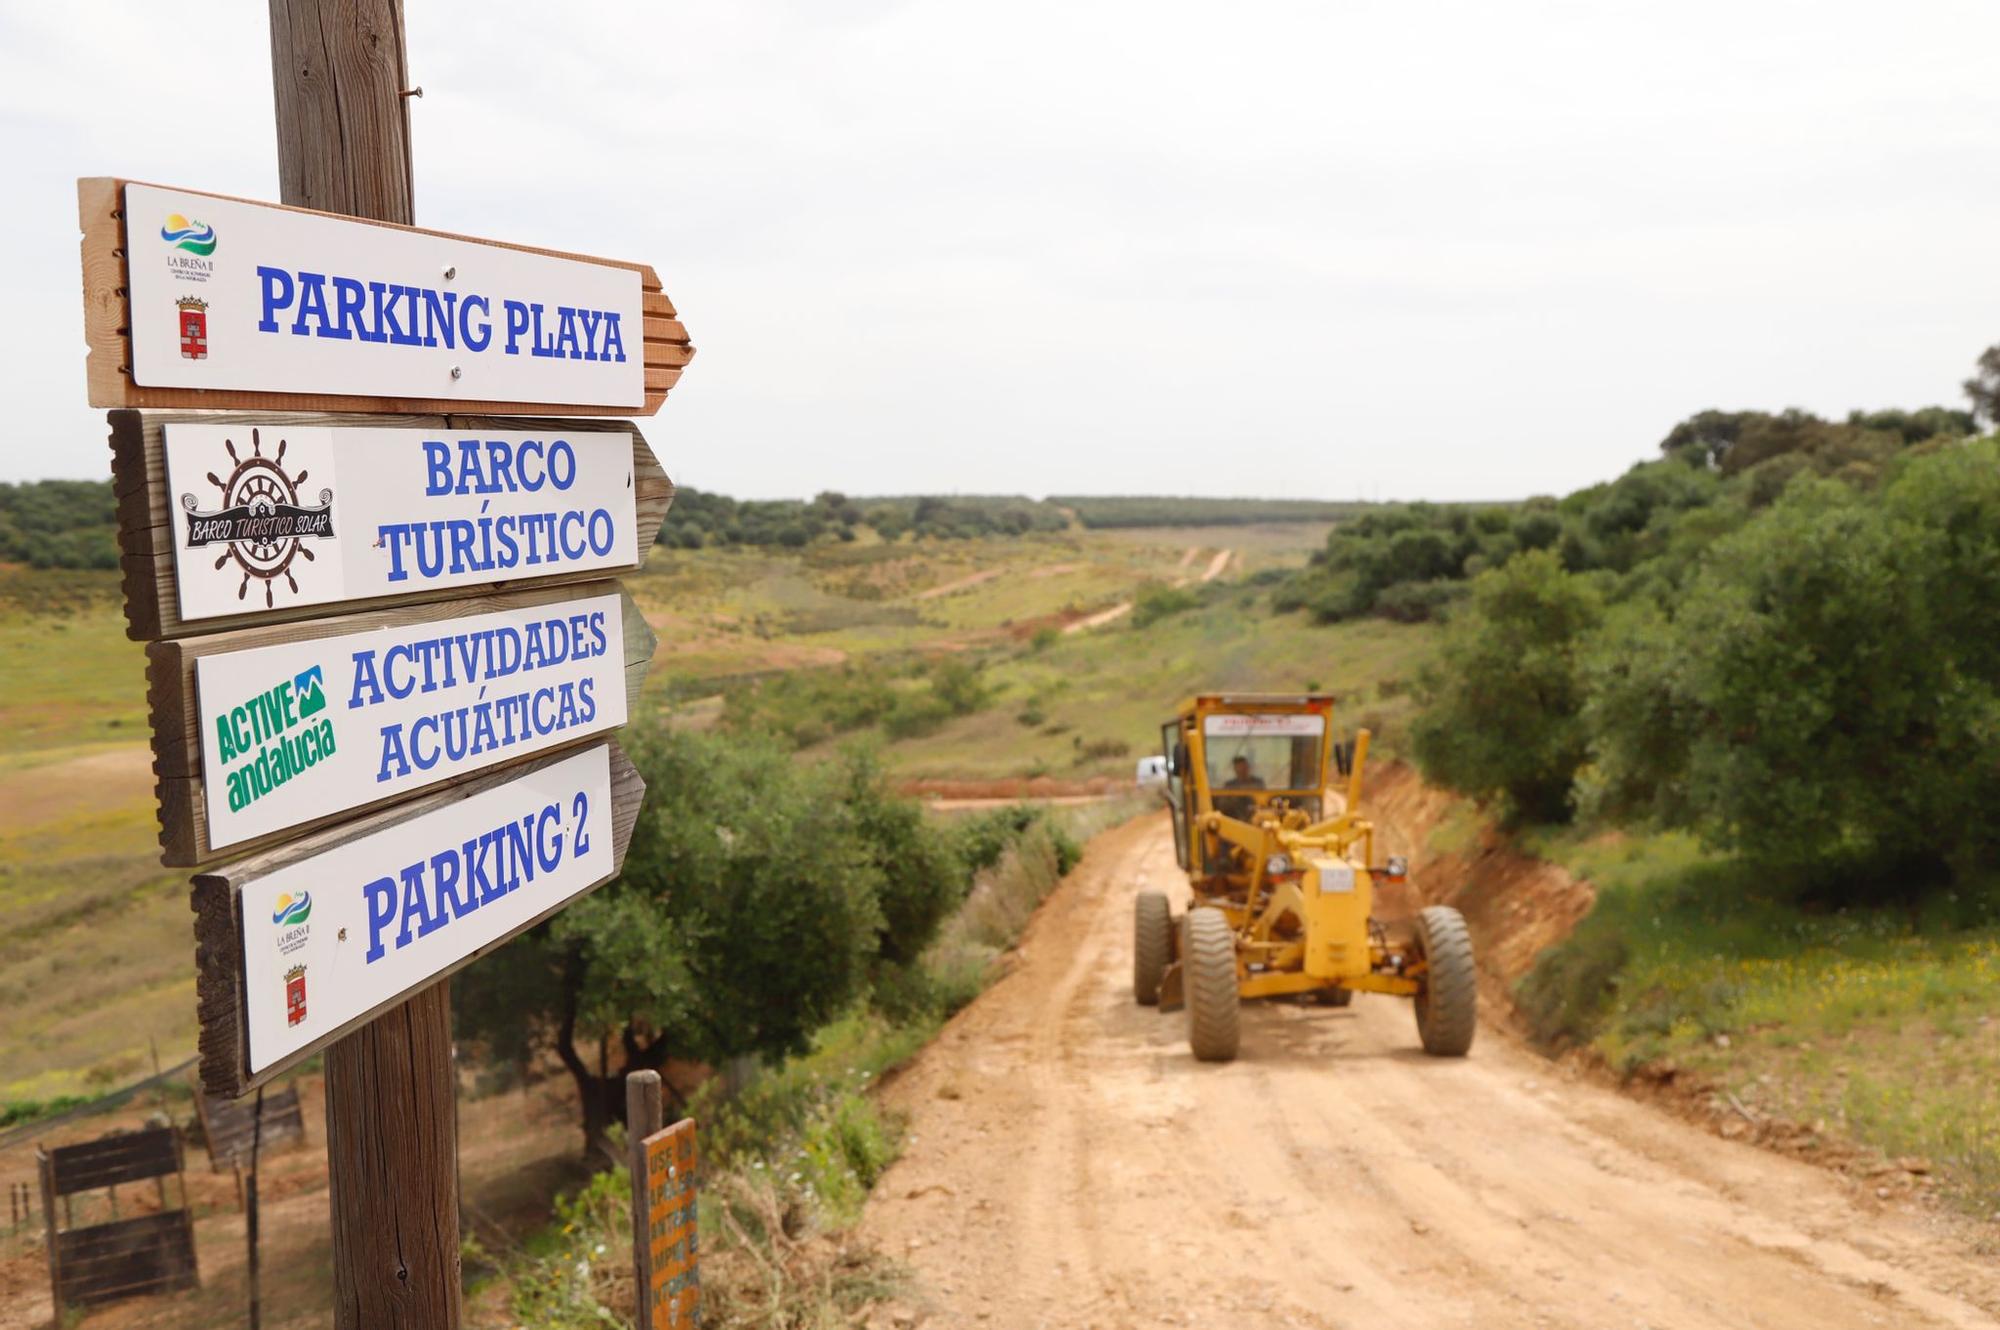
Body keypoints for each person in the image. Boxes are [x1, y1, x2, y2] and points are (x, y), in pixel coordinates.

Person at [1215, 754, 1265, 819]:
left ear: (1248, 768)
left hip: (1256, 818)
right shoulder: (1229, 785)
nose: (1242, 770)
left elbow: (1264, 801)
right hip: (1234, 819)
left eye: (1244, 767)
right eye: (1239, 767)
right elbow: (1222, 805)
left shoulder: (1258, 783)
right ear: (1235, 769)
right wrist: (1233, 799)